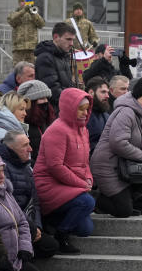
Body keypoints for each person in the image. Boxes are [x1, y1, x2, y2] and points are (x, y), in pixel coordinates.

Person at [33, 88, 95, 252]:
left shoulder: (84, 130)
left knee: (85, 229)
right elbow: (55, 167)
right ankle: (62, 235)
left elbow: (85, 163)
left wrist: (88, 178)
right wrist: (82, 184)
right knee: (87, 202)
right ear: (70, 108)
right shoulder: (57, 130)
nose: (84, 112)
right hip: (49, 184)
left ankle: (52, 220)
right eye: (80, 108)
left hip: (70, 185)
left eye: (86, 109)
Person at [92, 78, 142, 218]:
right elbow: (118, 143)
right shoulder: (126, 112)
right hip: (109, 166)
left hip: (125, 164)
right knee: (123, 211)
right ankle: (92, 198)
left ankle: (127, 200)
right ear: (137, 96)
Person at [0, 130, 58, 259]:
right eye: (25, 145)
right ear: (11, 148)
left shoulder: (26, 167)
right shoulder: (2, 168)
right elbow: (9, 205)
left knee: (51, 246)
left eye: (29, 144)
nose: (30, 149)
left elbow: (35, 201)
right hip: (10, 224)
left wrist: (37, 226)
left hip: (26, 221)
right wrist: (30, 228)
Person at [34, 21, 77, 108]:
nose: (72, 44)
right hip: (54, 111)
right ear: (56, 37)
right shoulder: (45, 58)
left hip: (64, 107)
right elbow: (53, 90)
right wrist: (72, 102)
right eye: (68, 39)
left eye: (73, 40)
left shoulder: (64, 55)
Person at [18, 80, 55, 163]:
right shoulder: (24, 126)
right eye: (41, 98)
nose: (45, 102)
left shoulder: (46, 121)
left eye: (47, 98)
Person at [7, 0, 45, 64]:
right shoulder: (15, 13)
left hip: (32, 48)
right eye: (22, 1)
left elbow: (41, 24)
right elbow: (11, 21)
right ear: (19, 3)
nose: (24, 3)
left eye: (26, 1)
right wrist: (23, 11)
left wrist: (33, 13)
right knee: (18, 70)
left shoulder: (33, 13)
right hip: (18, 48)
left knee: (32, 69)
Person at [84, 77, 111, 153]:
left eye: (107, 92)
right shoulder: (83, 115)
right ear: (91, 92)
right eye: (103, 92)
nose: (107, 96)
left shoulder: (105, 114)